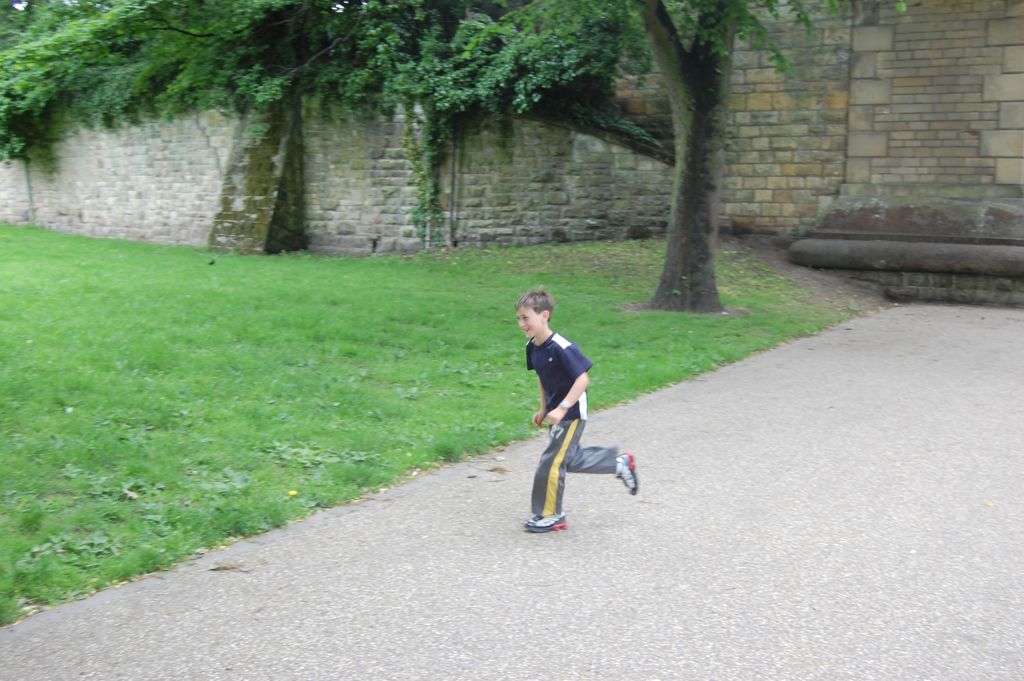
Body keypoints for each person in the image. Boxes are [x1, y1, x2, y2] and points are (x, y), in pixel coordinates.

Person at [515, 287, 638, 533]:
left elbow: (582, 380)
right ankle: (619, 463)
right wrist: (543, 408)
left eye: (526, 318)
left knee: (550, 462)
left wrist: (561, 408)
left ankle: (551, 515)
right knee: (566, 460)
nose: (521, 324)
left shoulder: (561, 346)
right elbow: (542, 377)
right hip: (555, 413)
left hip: (570, 414)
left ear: (544, 316)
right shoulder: (533, 347)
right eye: (518, 318)